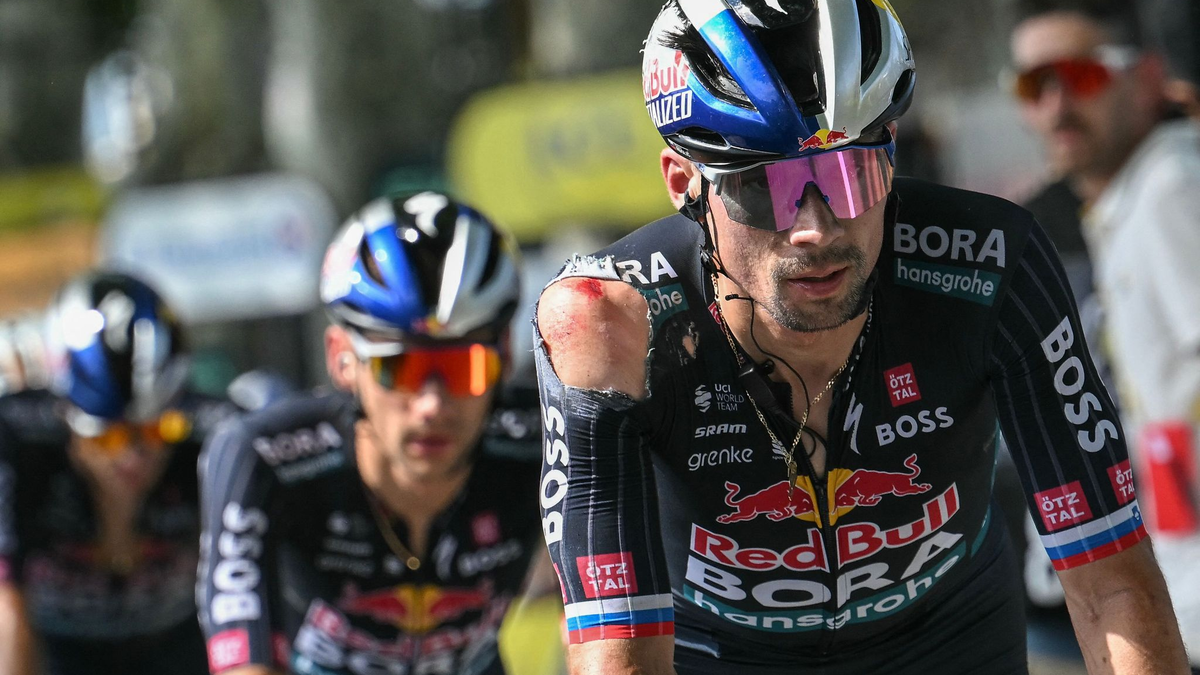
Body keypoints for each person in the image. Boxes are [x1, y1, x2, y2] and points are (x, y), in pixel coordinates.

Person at [533, 1, 1190, 673]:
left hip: (949, 640)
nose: (816, 229)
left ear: (893, 151)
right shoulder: (608, 320)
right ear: (684, 184)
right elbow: (616, 651)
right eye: (764, 187)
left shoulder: (989, 267)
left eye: (850, 175)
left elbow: (1112, 585)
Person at [197, 192, 548, 675]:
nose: (431, 405)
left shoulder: (547, 438)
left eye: (464, 368)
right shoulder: (264, 457)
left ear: (505, 355)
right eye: (398, 369)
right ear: (342, 358)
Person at [0, 271, 229, 675]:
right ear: (65, 421)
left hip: (179, 650)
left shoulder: (210, 436)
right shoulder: (19, 445)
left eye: (156, 431)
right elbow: (7, 609)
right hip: (56, 653)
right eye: (107, 438)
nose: (132, 456)